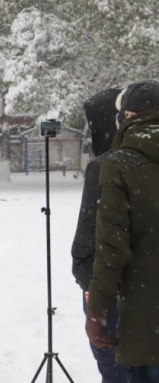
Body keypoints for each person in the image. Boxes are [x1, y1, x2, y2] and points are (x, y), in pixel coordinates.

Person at [86, 80, 159, 382]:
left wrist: (96, 313)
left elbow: (110, 249)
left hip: (146, 321)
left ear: (128, 117)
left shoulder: (119, 166)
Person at [71, 88, 129, 382]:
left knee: (115, 370)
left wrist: (90, 290)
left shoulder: (104, 167)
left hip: (109, 289)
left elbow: (85, 243)